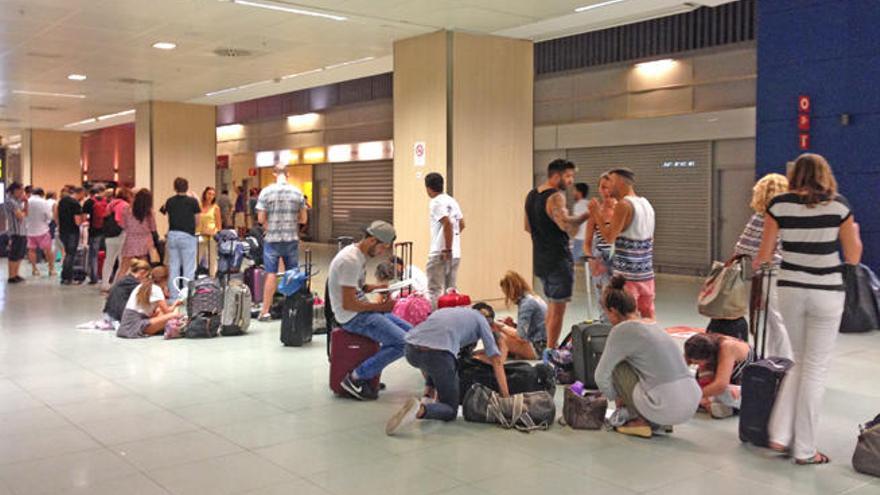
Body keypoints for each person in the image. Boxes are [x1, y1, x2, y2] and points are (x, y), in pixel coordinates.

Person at [756, 153, 862, 466]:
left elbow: (764, 255)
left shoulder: (778, 205)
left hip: (789, 289)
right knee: (814, 367)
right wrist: (853, 236)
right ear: (824, 174)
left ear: (795, 175)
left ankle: (778, 434)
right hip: (827, 292)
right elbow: (853, 256)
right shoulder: (839, 205)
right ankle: (804, 449)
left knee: (799, 361)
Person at [594, 275, 701, 438]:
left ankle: (640, 420)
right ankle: (657, 418)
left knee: (617, 366)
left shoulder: (622, 330)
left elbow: (601, 376)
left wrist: (617, 398)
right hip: (691, 401)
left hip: (665, 406)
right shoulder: (653, 325)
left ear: (613, 311)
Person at [385, 303, 510, 435]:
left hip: (410, 350)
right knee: (450, 409)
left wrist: (431, 385)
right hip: (438, 356)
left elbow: (428, 343)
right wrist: (506, 397)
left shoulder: (447, 311)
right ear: (489, 321)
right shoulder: (482, 321)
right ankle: (420, 409)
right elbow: (496, 360)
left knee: (435, 359)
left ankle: (427, 396)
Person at [327, 220, 412, 400]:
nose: (382, 253)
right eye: (383, 248)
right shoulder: (350, 260)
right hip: (352, 317)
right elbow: (349, 304)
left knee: (412, 334)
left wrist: (371, 288)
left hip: (362, 310)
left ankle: (371, 373)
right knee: (404, 343)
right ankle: (357, 377)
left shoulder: (357, 255)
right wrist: (380, 307)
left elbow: (354, 287)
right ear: (372, 241)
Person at [709, 174, 792, 355]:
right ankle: (780, 356)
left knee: (774, 319)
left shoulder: (760, 217)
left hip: (769, 273)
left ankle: (780, 358)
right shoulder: (791, 218)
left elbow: (742, 247)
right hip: (790, 273)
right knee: (782, 318)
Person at [524, 159, 589, 349]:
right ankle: (550, 352)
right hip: (558, 259)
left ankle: (545, 346)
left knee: (552, 307)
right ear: (556, 175)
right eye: (568, 176)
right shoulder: (556, 197)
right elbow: (565, 225)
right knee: (558, 310)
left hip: (541, 259)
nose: (571, 181)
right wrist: (587, 215)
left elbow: (527, 227)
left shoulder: (531, 195)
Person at [589, 167, 656, 319]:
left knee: (624, 318)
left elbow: (609, 237)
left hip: (627, 278)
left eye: (610, 182)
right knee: (648, 315)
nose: (607, 187)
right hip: (646, 275)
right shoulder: (646, 204)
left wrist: (595, 213)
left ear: (619, 182)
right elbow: (651, 239)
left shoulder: (624, 205)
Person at [255, 165, 307, 321]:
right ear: (288, 174)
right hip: (291, 238)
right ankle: (294, 310)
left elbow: (260, 219)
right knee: (292, 273)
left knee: (271, 273)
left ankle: (265, 311)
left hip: (272, 239)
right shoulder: (297, 192)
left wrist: (268, 226)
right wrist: (292, 221)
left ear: (274, 174)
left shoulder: (266, 192)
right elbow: (304, 219)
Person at [684, 332, 754, 419]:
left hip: (740, 379)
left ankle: (725, 406)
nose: (694, 364)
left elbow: (720, 386)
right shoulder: (694, 345)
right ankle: (709, 402)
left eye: (697, 363)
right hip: (720, 374)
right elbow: (678, 370)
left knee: (731, 393)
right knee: (690, 380)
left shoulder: (728, 348)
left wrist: (690, 397)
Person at [424, 173, 465, 307]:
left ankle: (436, 322)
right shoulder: (452, 200)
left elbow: (447, 223)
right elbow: (461, 225)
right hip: (456, 254)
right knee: (450, 291)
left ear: (429, 188)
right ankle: (451, 319)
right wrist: (452, 244)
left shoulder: (435, 202)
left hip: (440, 252)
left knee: (434, 290)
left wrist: (447, 248)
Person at [160, 178, 201, 299]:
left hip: (172, 234)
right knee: (189, 266)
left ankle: (174, 294)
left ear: (174, 188)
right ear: (187, 187)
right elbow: (197, 221)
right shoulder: (193, 201)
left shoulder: (170, 201)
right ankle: (187, 294)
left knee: (173, 265)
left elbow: (163, 210)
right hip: (187, 235)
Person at [116, 265, 182, 338]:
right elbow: (167, 312)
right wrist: (176, 304)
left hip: (127, 323)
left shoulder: (142, 286)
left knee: (159, 311)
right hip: (136, 326)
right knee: (175, 314)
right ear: (165, 279)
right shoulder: (156, 289)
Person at [584, 173, 616, 322]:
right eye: (601, 187)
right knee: (604, 300)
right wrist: (591, 259)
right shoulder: (595, 212)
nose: (604, 191)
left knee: (620, 298)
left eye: (607, 187)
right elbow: (587, 242)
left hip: (618, 258)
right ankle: (604, 329)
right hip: (600, 258)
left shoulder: (622, 209)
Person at [498, 270, 548, 359]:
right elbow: (531, 328)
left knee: (500, 336)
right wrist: (513, 325)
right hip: (545, 344)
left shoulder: (527, 304)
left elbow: (521, 336)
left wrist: (501, 326)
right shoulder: (533, 298)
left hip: (539, 349)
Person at [119, 188, 156, 281]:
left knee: (123, 268)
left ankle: (116, 289)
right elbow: (153, 228)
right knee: (145, 268)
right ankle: (145, 288)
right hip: (145, 240)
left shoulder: (127, 209)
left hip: (131, 239)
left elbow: (122, 225)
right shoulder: (149, 212)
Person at [102, 187, 133, 291]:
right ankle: (117, 282)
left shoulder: (110, 204)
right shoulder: (124, 205)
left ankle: (105, 283)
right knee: (122, 260)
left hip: (109, 236)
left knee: (108, 260)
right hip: (120, 235)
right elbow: (120, 220)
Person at [25, 188, 55, 278]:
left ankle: (34, 269)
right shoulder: (43, 202)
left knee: (31, 250)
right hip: (43, 230)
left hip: (30, 230)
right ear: (42, 194)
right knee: (48, 250)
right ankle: (51, 269)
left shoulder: (27, 201)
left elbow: (24, 215)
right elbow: (49, 216)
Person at [57, 186, 85, 285]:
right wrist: (83, 220)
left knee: (67, 253)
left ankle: (64, 276)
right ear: (80, 193)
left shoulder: (62, 201)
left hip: (63, 231)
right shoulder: (75, 204)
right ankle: (68, 277)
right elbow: (77, 221)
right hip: (72, 231)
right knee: (71, 254)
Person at [81, 185, 108, 285]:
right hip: (106, 232)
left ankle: (94, 277)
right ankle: (106, 276)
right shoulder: (107, 201)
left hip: (94, 231)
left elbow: (84, 218)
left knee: (93, 255)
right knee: (107, 255)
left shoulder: (88, 202)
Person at [3, 182, 28, 284]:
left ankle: (16, 274)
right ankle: (11, 276)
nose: (22, 193)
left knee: (20, 254)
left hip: (22, 231)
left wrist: (26, 202)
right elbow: (20, 216)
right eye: (21, 190)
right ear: (15, 190)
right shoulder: (10, 201)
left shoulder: (17, 201)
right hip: (15, 232)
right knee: (14, 254)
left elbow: (26, 213)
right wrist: (23, 213)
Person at [197, 186, 221, 277]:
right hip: (200, 235)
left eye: (213, 194)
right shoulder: (199, 206)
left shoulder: (215, 208)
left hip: (211, 236)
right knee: (197, 257)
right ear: (205, 194)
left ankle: (212, 278)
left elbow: (219, 226)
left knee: (212, 258)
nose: (211, 196)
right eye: (209, 194)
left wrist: (214, 232)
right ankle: (194, 276)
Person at [571, 182, 590, 260]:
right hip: (589, 238)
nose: (572, 193)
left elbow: (576, 223)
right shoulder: (589, 204)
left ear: (579, 192)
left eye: (574, 190)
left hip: (580, 238)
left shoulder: (578, 205)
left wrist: (572, 236)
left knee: (572, 261)